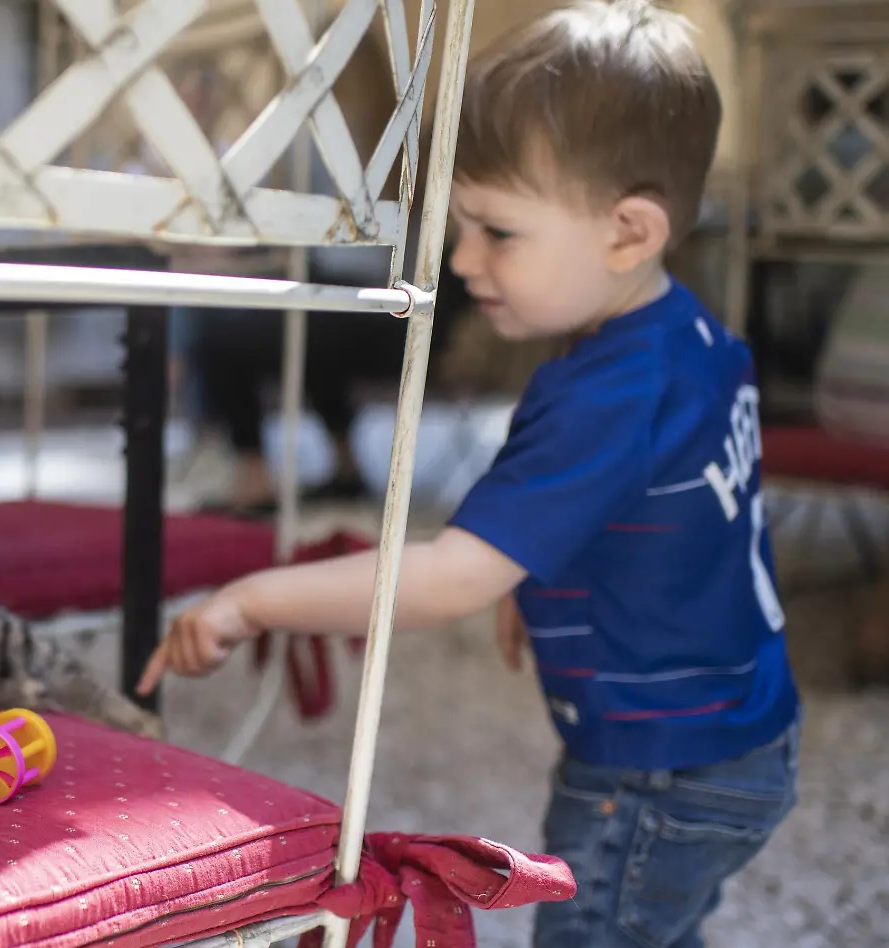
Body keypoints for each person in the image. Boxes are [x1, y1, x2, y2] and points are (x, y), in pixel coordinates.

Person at [137, 2, 801, 945]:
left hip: (656, 772)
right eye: (461, 227)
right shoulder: (694, 337)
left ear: (628, 232)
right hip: (746, 736)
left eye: (498, 231)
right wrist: (542, 560)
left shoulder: (602, 396)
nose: (462, 260)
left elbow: (447, 577)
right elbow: (683, 507)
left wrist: (256, 599)